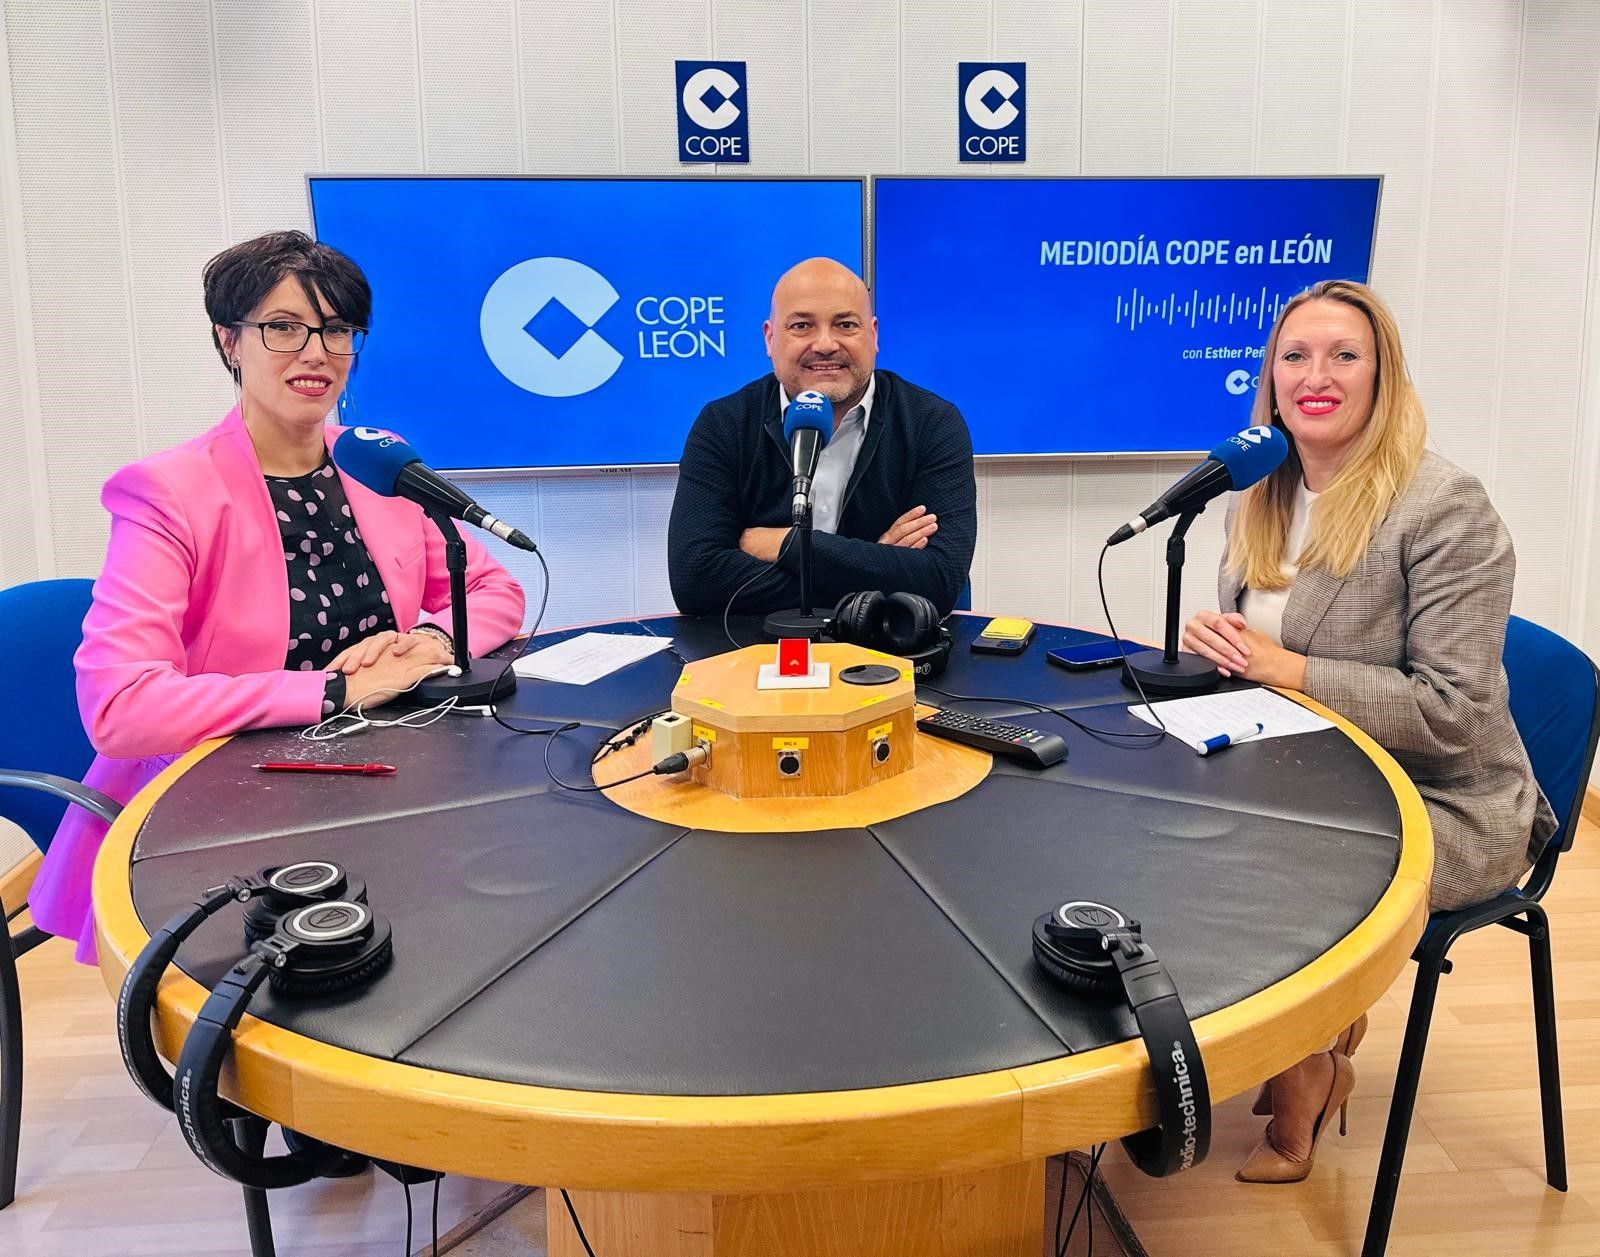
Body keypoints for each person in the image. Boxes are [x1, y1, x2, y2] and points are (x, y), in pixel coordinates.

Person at [31, 231, 525, 962]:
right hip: (226, 802)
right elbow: (120, 707)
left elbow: (491, 586)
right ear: (229, 340)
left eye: (336, 329)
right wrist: (334, 690)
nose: (316, 352)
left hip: (388, 774)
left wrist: (431, 642)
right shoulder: (168, 493)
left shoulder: (372, 461)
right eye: (284, 327)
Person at [1182, 279, 1555, 1184]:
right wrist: (1226, 647)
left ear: (1383, 376)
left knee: (1278, 871)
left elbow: (1454, 712)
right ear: (1271, 379)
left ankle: (1307, 1071)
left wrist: (1288, 668)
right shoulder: (1259, 489)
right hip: (1302, 765)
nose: (1317, 376)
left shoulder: (1443, 509)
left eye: (1344, 356)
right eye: (1295, 356)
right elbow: (1269, 651)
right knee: (1167, 821)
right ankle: (1292, 1032)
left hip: (1442, 795)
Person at [667, 257, 976, 617]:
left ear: (873, 335)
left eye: (845, 324)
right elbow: (696, 580)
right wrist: (877, 567)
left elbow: (940, 580)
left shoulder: (932, 423)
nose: (826, 344)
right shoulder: (724, 424)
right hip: (758, 643)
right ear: (770, 338)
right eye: (802, 326)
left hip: (888, 642)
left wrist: (785, 544)